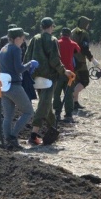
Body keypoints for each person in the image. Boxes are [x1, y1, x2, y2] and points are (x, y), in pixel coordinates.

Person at [24, 17, 74, 145]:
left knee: (46, 105)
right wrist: (64, 71)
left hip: (35, 76)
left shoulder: (34, 39)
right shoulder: (53, 40)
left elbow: (27, 57)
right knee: (43, 105)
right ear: (51, 26)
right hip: (49, 78)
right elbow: (54, 60)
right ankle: (33, 135)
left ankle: (53, 129)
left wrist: (27, 73)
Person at [0, 27, 36, 149]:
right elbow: (19, 69)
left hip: (3, 86)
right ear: (17, 38)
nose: (24, 40)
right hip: (14, 85)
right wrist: (30, 64)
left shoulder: (3, 49)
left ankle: (6, 141)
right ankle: (13, 136)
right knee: (29, 111)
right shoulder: (16, 49)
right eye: (23, 37)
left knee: (7, 116)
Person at [70, 16, 98, 111]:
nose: (88, 25)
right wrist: (92, 59)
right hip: (80, 60)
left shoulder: (72, 31)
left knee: (76, 81)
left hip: (72, 60)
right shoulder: (83, 33)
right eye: (88, 23)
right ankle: (72, 96)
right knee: (84, 81)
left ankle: (75, 103)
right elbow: (84, 48)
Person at [54, 27, 81, 123]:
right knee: (69, 94)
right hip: (70, 73)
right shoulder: (73, 43)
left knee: (56, 93)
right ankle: (69, 114)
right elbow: (78, 50)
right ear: (70, 35)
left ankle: (57, 113)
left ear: (61, 34)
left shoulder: (57, 42)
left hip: (58, 71)